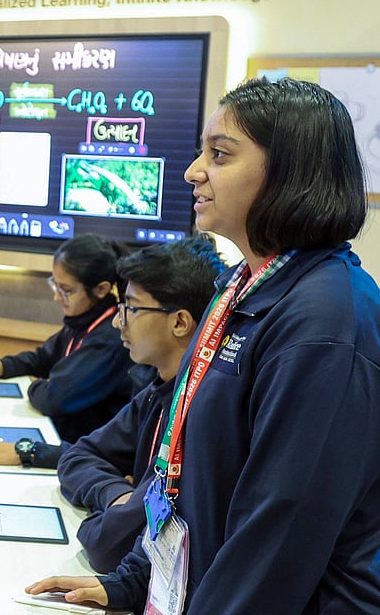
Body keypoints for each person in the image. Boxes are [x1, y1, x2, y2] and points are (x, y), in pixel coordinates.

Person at [28, 77, 380, 613]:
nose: (193, 171)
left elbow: (276, 538)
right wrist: (136, 581)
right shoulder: (240, 289)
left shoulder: (328, 323)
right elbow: (193, 481)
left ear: (289, 174)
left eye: (220, 154)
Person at [57, 236, 224, 572]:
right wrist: (117, 496)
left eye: (131, 308)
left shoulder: (200, 412)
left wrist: (113, 515)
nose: (119, 321)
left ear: (179, 322)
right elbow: (78, 456)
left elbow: (106, 545)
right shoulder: (157, 389)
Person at [0, 234, 138, 449]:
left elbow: (55, 398)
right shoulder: (82, 319)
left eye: (67, 290)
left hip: (83, 452)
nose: (57, 297)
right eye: (55, 285)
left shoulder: (110, 337)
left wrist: (35, 385)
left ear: (101, 289)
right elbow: (43, 357)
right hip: (59, 437)